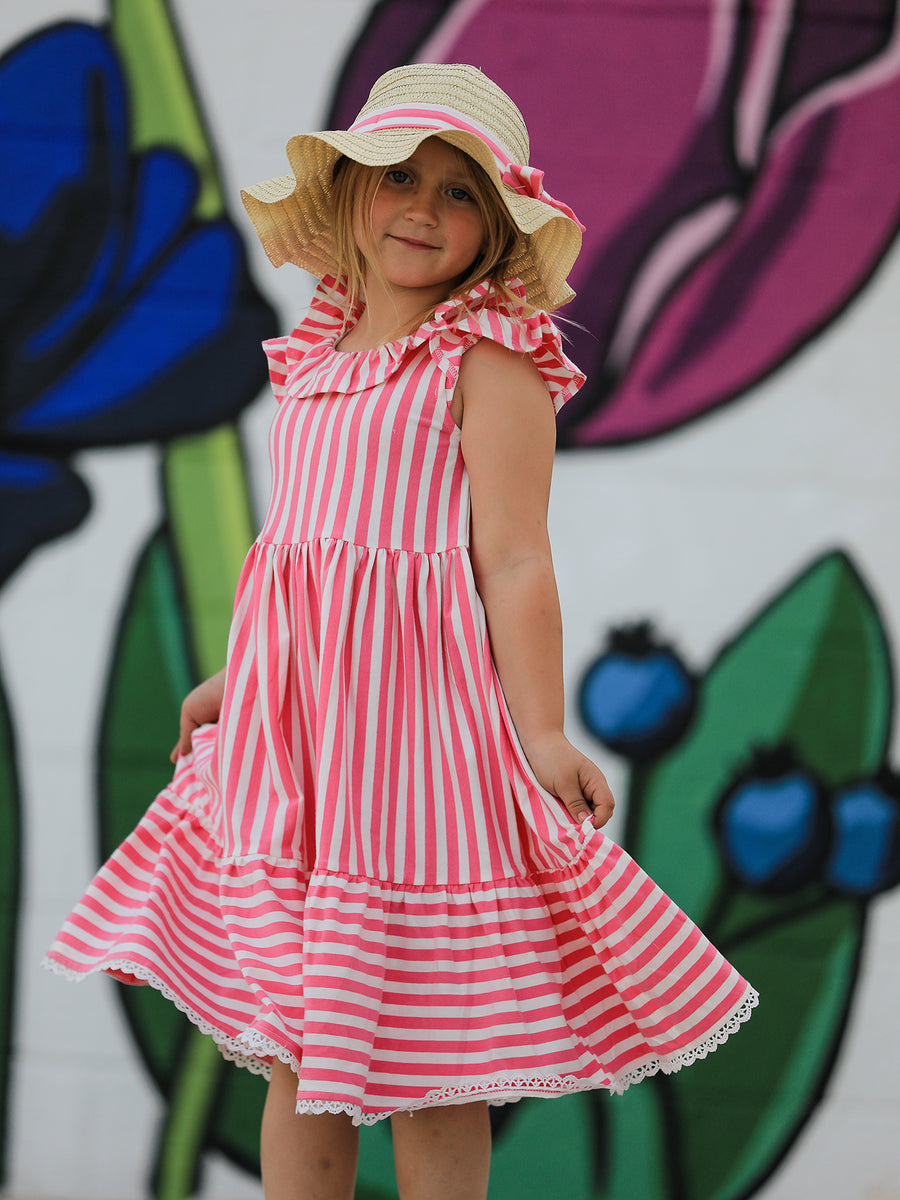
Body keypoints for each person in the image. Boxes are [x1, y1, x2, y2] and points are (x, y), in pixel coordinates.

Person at [45, 63, 757, 1200]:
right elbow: (304, 559)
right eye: (398, 178)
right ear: (352, 195)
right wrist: (244, 675)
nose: (423, 209)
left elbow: (514, 556)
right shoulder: (316, 362)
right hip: (307, 749)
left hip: (417, 754)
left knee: (432, 1064)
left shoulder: (487, 362)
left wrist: (543, 735)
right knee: (292, 1042)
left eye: (463, 192)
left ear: (498, 227)